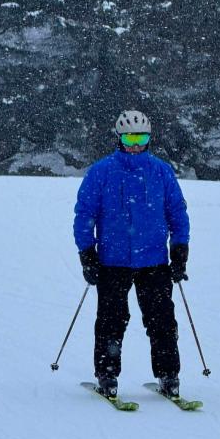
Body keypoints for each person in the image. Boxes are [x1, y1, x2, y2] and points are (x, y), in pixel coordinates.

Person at [73, 110, 190, 399]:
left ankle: (169, 376)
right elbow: (85, 214)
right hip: (112, 262)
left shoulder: (161, 171)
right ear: (119, 138)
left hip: (154, 261)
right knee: (111, 321)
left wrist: (179, 251)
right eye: (129, 138)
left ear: (149, 139)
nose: (135, 145)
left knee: (162, 321)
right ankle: (107, 376)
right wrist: (87, 253)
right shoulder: (101, 171)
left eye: (141, 138)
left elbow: (177, 212)